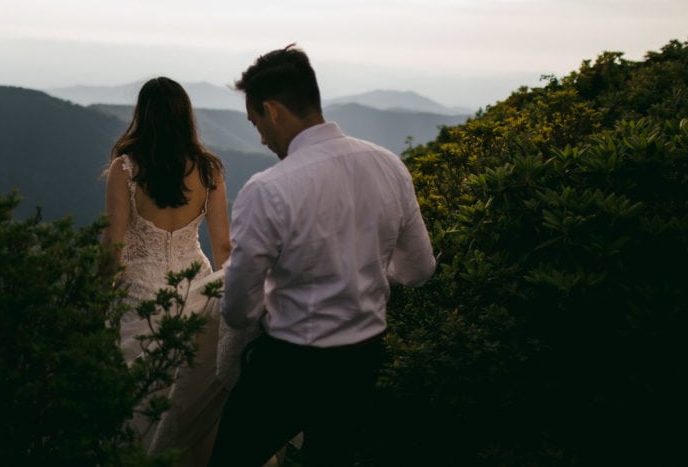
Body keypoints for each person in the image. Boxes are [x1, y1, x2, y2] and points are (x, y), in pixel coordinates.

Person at [208, 45, 437, 467]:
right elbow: (420, 268)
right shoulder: (389, 165)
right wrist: (361, 270)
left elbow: (239, 307)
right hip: (364, 357)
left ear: (273, 111)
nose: (259, 135)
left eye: (255, 120)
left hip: (291, 364)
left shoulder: (268, 188)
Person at [102, 76, 233, 465]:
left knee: (142, 388)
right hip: (196, 282)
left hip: (140, 288)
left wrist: (98, 295)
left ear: (142, 116)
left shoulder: (125, 168)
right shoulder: (209, 170)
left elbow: (114, 244)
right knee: (191, 380)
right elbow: (224, 245)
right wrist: (230, 306)